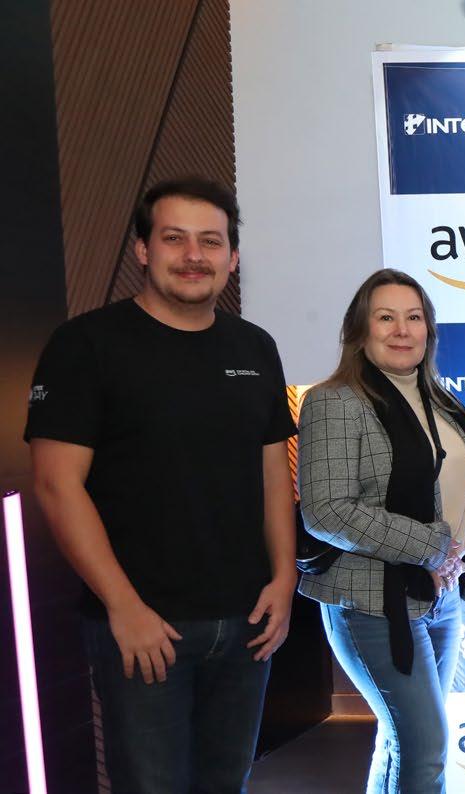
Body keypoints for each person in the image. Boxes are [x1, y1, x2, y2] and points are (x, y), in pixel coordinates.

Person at [27, 178, 296, 793]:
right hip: (143, 627)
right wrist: (123, 607)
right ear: (143, 250)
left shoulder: (255, 346)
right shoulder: (86, 346)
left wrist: (285, 579)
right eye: (175, 239)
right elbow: (55, 485)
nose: (194, 255)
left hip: (248, 623)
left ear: (232, 257)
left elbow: (272, 475)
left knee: (226, 785)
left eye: (211, 241)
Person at [297, 268, 465, 793]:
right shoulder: (335, 401)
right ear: (360, 330)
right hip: (370, 601)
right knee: (425, 749)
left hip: (444, 601)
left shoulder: (445, 404)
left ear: (429, 329)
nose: (402, 330)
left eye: (414, 318)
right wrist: (432, 548)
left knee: (403, 743)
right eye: (386, 317)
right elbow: (327, 511)